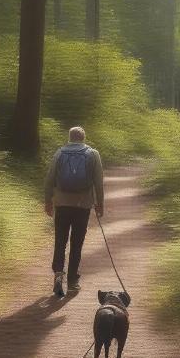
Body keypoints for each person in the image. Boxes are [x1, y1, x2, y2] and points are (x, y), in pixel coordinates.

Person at [45, 126, 104, 296]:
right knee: (77, 243)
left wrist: (48, 201)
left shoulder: (59, 153)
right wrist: (100, 205)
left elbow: (49, 179)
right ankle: (72, 280)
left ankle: (58, 273)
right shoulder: (93, 154)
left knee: (60, 240)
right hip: (82, 205)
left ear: (69, 138)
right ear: (83, 138)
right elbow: (98, 183)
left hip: (62, 204)